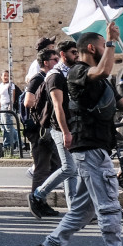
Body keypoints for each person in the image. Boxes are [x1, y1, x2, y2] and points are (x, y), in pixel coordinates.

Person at [26, 23, 123, 246]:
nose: (109, 49)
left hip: (97, 148)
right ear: (92, 47)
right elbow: (103, 69)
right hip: (89, 149)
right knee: (109, 206)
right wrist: (111, 41)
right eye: (103, 46)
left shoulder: (103, 80)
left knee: (82, 211)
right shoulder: (77, 72)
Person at [29, 42, 81, 218]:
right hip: (59, 127)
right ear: (63, 54)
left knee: (71, 170)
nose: (77, 56)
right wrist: (65, 132)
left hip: (70, 126)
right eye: (73, 53)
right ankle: (38, 194)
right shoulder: (55, 76)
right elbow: (58, 106)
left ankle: (74, 208)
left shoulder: (70, 73)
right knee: (68, 168)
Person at [24, 50, 61, 216]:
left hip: (48, 129)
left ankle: (41, 198)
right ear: (45, 62)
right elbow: (28, 101)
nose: (57, 61)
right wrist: (44, 111)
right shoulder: (38, 78)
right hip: (40, 130)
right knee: (42, 167)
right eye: (54, 59)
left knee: (58, 165)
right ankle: (37, 201)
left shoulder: (50, 77)